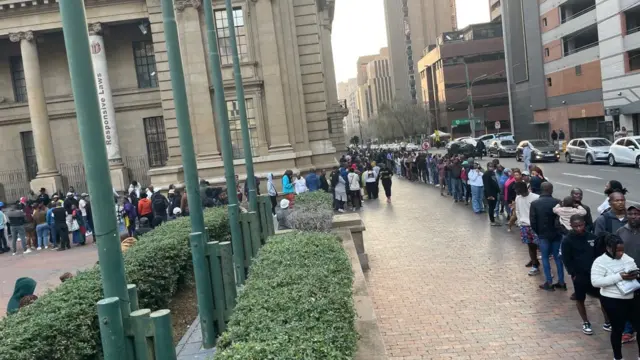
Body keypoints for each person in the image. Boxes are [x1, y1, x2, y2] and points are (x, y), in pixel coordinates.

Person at [591, 233, 640, 360]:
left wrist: (634, 274)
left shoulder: (627, 258)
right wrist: (620, 276)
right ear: (608, 248)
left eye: (622, 250)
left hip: (631, 297)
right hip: (612, 300)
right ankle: (618, 357)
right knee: (617, 329)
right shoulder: (600, 262)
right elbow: (596, 282)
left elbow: (634, 268)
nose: (620, 253)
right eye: (617, 250)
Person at [561, 215, 611, 335]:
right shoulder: (567, 240)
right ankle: (586, 322)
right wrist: (573, 273)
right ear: (571, 226)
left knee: (602, 297)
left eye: (581, 225)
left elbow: (599, 255)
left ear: (584, 224)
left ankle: (607, 321)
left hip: (595, 274)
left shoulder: (592, 237)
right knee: (580, 298)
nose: (579, 228)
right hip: (579, 275)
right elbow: (566, 259)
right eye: (575, 226)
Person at [530, 182, 565, 291]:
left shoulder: (535, 203)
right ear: (551, 190)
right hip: (556, 234)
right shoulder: (557, 202)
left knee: (545, 257)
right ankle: (561, 282)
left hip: (543, 234)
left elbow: (533, 221)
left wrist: (539, 232)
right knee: (557, 258)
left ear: (541, 190)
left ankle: (549, 282)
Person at [513, 181, 541, 274]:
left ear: (523, 188)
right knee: (530, 245)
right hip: (524, 226)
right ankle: (534, 263)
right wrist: (520, 222)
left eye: (517, 189)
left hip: (534, 226)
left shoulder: (536, 197)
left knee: (540, 247)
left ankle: (544, 266)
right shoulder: (518, 198)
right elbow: (517, 210)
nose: (515, 191)